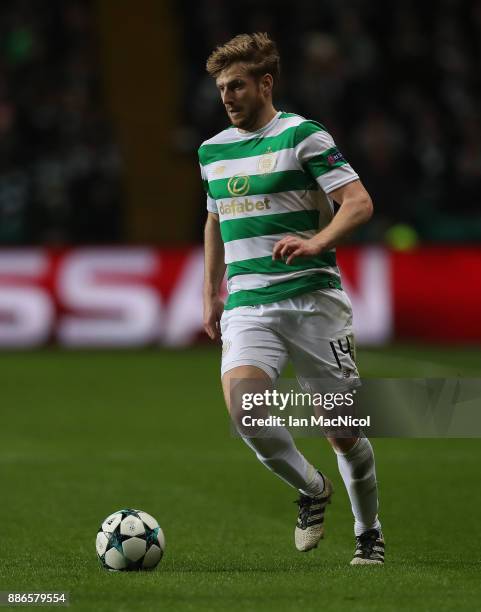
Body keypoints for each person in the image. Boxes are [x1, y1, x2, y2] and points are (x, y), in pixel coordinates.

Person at [199, 32, 384, 565]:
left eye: (237, 85)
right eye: (221, 88)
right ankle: (312, 488)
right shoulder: (213, 151)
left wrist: (317, 242)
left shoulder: (304, 136)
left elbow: (358, 202)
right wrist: (213, 291)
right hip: (250, 305)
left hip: (313, 302)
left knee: (342, 431)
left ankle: (368, 530)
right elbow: (213, 219)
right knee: (244, 411)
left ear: (266, 83)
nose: (228, 97)